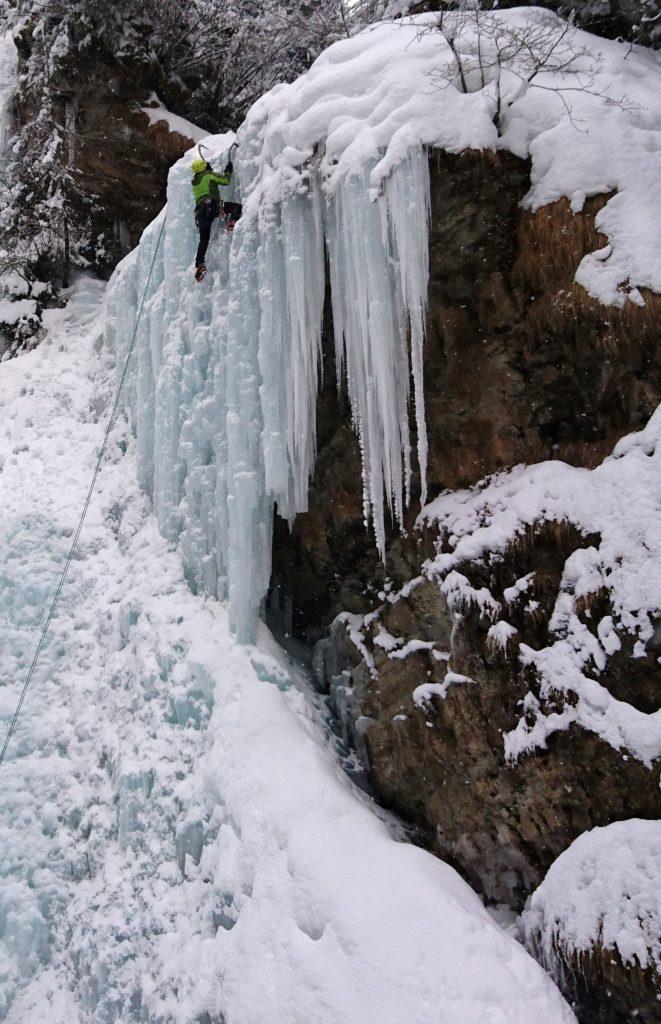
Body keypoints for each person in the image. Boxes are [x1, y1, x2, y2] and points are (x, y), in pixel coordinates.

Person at [191, 156, 237, 282]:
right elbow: (225, 181)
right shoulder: (208, 175)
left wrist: (207, 170)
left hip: (200, 214)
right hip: (212, 206)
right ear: (203, 167)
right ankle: (231, 222)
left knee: (203, 239)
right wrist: (228, 170)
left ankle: (199, 264)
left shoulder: (194, 182)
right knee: (235, 208)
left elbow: (205, 186)